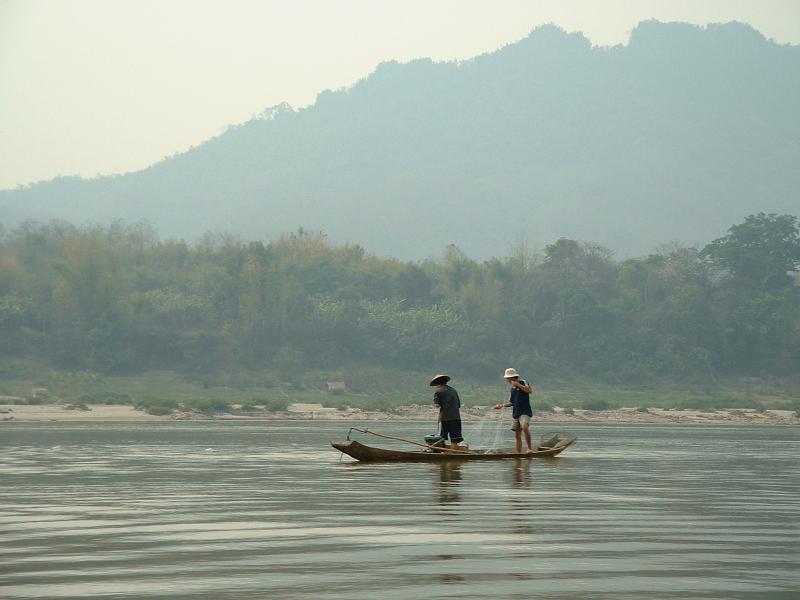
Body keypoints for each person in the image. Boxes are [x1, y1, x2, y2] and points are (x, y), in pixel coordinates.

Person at [494, 367, 534, 453]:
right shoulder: (512, 389)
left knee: (524, 427)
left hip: (525, 412)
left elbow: (529, 391)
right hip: (516, 413)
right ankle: (518, 453)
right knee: (517, 434)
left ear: (513, 377)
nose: (507, 380)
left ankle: (529, 448)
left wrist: (518, 385)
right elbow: (511, 402)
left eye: (508, 378)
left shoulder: (523, 382)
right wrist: (501, 406)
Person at [430, 374, 463, 450]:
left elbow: (437, 405)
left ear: (437, 384)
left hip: (445, 418)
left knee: (441, 437)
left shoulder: (438, 392)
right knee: (454, 439)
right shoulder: (453, 390)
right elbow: (458, 405)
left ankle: (436, 450)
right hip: (456, 418)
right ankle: (454, 456)